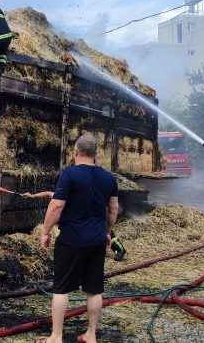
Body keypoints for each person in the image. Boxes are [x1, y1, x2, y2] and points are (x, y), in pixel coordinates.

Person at [36, 134, 119, 343]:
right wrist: (107, 232)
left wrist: (45, 231)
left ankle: (56, 337)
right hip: (96, 241)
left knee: (61, 288)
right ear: (95, 154)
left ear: (75, 152)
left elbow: (56, 205)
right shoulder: (109, 178)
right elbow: (113, 209)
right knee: (94, 289)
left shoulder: (70, 175)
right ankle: (91, 335)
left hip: (71, 241)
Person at [21, 190, 127, 261]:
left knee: (106, 233)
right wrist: (32, 196)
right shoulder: (65, 196)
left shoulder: (81, 195)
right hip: (81, 223)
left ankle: (120, 249)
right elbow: (48, 194)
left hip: (94, 216)